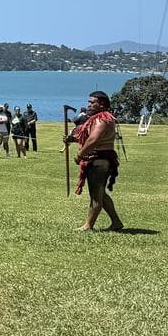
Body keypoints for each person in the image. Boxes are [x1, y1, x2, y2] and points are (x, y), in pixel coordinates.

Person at [65, 90, 123, 232]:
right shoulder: (100, 118)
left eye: (92, 102)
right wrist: (73, 139)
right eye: (89, 102)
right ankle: (116, 222)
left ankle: (88, 225)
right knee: (101, 193)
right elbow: (89, 137)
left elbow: (93, 140)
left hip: (99, 161)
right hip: (99, 159)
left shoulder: (102, 119)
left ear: (101, 104)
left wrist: (80, 155)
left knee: (96, 194)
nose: (89, 105)